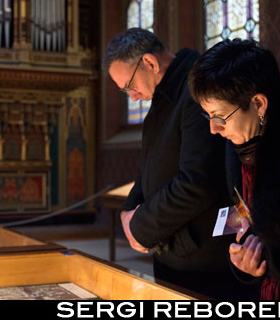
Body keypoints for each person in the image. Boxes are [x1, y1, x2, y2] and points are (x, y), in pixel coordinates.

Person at [105, 28, 254, 299]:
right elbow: (149, 165)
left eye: (129, 86)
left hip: (201, 256)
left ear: (149, 62)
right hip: (172, 245)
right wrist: (128, 212)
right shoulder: (163, 95)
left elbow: (199, 181)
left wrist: (139, 227)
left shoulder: (195, 88)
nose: (132, 96)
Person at [187, 38, 280, 300]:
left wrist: (263, 262)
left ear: (259, 104)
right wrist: (243, 261)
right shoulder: (241, 143)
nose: (213, 129)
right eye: (208, 116)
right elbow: (243, 218)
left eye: (219, 117)